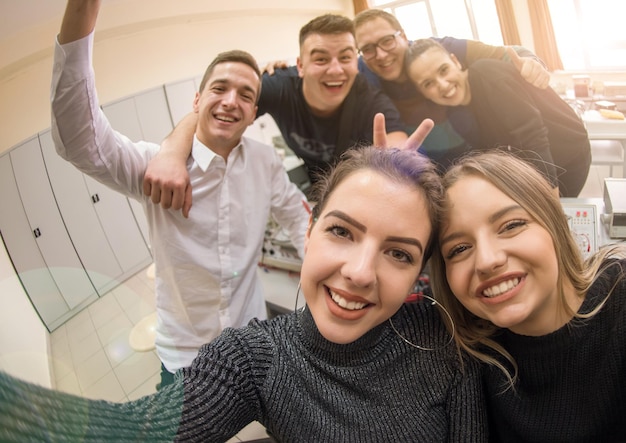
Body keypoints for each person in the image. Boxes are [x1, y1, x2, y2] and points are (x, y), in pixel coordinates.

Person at [0, 143, 488, 442]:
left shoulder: (442, 337)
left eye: (398, 253)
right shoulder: (254, 361)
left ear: (419, 274)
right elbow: (138, 432)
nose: (360, 273)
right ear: (311, 229)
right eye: (342, 232)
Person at [51, 0, 310, 388]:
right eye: (219, 88)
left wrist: (325, 270)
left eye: (244, 94)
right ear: (196, 101)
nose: (229, 101)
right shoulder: (154, 166)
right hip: (186, 356)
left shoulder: (263, 161)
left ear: (254, 111)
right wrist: (83, 11)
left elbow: (295, 214)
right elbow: (79, 140)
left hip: (252, 336)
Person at [429, 150, 626, 442]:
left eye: (511, 226)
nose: (486, 261)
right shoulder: (461, 355)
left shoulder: (619, 300)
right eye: (459, 249)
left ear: (554, 222)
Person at [144, 14, 410, 216]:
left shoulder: (369, 97)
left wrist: (399, 162)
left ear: (356, 62)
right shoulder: (279, 86)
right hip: (317, 184)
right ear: (300, 65)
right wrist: (171, 154)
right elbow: (207, 113)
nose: (335, 70)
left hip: (356, 185)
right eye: (320, 59)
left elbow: (397, 141)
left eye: (345, 57)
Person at [405, 38, 591, 197]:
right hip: (533, 167)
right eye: (428, 83)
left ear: (456, 61)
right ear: (422, 92)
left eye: (444, 70)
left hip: (568, 158)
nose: (443, 85)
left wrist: (552, 206)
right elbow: (488, 153)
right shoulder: (456, 115)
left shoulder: (488, 74)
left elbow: (533, 138)